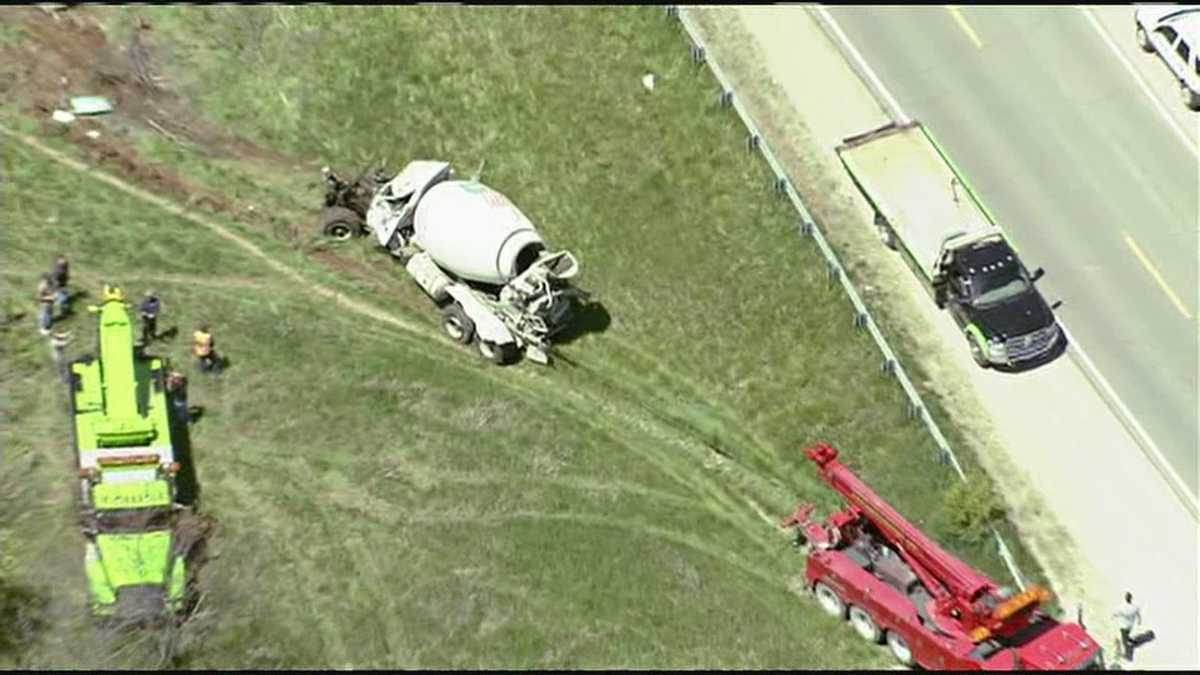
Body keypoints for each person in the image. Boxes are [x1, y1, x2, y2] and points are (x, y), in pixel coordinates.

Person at [1112, 591, 1142, 662]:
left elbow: (1117, 614)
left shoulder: (1122, 607)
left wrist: (1113, 616)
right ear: (1131, 598)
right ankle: (1131, 640)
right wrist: (1139, 621)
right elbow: (1138, 615)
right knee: (1127, 635)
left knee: (1124, 641)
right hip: (1130, 625)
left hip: (1123, 626)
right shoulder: (1135, 607)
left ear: (1125, 598)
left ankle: (1127, 655)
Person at [50, 254, 70, 318]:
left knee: (63, 297)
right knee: (62, 298)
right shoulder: (57, 271)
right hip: (57, 286)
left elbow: (66, 274)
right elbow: (55, 281)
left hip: (61, 284)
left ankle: (63, 310)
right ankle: (61, 311)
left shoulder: (65, 266)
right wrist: (58, 288)